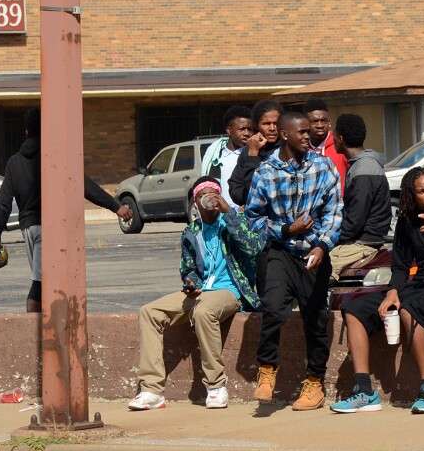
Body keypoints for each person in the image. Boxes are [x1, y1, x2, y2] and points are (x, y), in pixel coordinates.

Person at [331, 167, 424, 414]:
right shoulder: (407, 221)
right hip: (419, 285)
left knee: (409, 310)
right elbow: (400, 266)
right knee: (354, 309)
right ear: (412, 194)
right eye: (422, 191)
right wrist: (392, 292)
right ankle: (364, 390)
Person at [128, 176, 264, 411]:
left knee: (204, 311)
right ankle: (151, 390)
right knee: (149, 312)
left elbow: (254, 247)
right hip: (200, 292)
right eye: (203, 196)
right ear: (196, 202)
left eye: (214, 194)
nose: (209, 200)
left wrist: (228, 212)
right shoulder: (192, 231)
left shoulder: (234, 221)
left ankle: (216, 386)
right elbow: (188, 267)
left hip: (230, 291)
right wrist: (190, 282)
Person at [0, 107, 132, 312]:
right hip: (49, 228)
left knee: (46, 281)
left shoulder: (14, 162)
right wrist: (116, 206)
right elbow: (84, 185)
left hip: (28, 228)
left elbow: (3, 201)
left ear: (26, 131)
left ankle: (48, 326)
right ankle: (35, 330)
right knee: (39, 285)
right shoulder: (53, 157)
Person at [245, 111, 342, 411]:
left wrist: (323, 246)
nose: (307, 135)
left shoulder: (323, 166)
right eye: (301, 131)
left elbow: (334, 212)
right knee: (274, 307)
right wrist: (287, 229)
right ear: (285, 135)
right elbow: (252, 217)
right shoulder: (265, 171)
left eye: (308, 131)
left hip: (314, 253)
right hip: (280, 251)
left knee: (316, 319)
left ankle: (315, 383)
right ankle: (267, 370)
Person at [328, 113, 392, 281]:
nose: (332, 140)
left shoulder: (364, 168)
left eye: (333, 136)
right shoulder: (361, 165)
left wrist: (329, 239)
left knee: (315, 268)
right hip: (358, 240)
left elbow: (355, 220)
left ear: (340, 139)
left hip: (363, 243)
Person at [227, 99, 284, 208]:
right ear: (257, 125)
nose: (272, 128)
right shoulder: (248, 150)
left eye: (276, 123)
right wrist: (253, 154)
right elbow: (235, 185)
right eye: (266, 123)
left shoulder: (286, 149)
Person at [200, 105, 253, 209]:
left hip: (244, 214)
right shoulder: (215, 155)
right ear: (229, 130)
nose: (247, 133)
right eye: (242, 129)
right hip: (218, 214)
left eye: (250, 129)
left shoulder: (253, 155)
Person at [301, 99, 348, 194]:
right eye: (314, 121)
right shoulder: (301, 150)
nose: (320, 125)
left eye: (324, 120)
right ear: (306, 124)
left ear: (329, 122)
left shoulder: (341, 146)